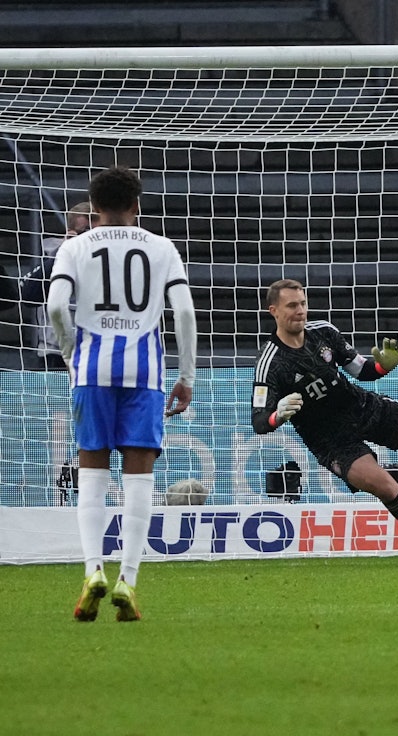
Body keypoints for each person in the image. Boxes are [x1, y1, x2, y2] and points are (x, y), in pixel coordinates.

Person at [48, 166, 196, 622]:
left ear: (93, 209)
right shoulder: (161, 247)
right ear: (136, 206)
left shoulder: (74, 247)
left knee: (91, 475)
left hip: (92, 370)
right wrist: (186, 375)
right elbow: (185, 312)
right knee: (139, 481)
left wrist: (73, 348)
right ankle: (127, 582)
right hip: (145, 373)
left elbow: (56, 306)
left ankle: (93, 570)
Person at [250, 278, 398, 564]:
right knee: (388, 489)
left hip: (364, 408)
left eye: (303, 303)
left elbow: (362, 370)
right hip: (331, 440)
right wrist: (277, 414)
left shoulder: (324, 332)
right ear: (274, 311)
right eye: (292, 305)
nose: (300, 310)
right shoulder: (270, 363)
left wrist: (383, 365)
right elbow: (259, 421)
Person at [20, 202, 99, 369]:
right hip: (57, 352)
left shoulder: (112, 257)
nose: (91, 238)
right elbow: (28, 296)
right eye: (85, 232)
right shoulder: (53, 254)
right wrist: (65, 251)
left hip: (99, 348)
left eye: (96, 233)